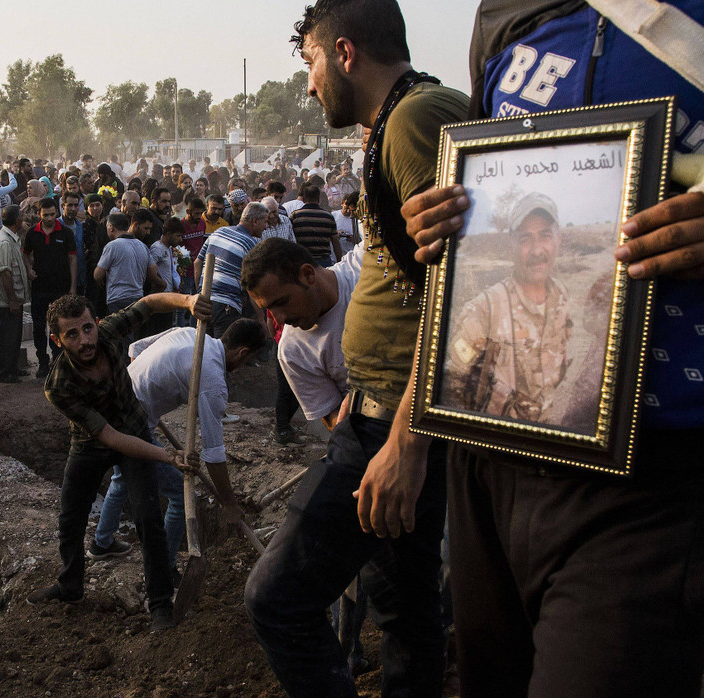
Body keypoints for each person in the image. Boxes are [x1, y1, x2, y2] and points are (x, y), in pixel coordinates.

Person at [401, 2, 704, 695]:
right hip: (491, 458)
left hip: (659, 468)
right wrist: (450, 209)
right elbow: (489, 165)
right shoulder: (505, 13)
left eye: (548, 236)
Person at [242, 2, 468, 696]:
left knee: (277, 599)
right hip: (387, 418)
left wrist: (407, 442)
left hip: (392, 424)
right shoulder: (397, 123)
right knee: (407, 613)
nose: (309, 84)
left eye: (310, 62)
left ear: (343, 53)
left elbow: (466, 292)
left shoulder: (415, 120)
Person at [26, 291, 211, 633]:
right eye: (72, 334)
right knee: (70, 518)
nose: (85, 340)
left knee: (148, 518)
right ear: (56, 340)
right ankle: (70, 586)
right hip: (91, 444)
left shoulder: (108, 332)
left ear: (96, 324)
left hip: (134, 429)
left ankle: (160, 605)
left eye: (87, 329)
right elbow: (109, 437)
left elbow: (149, 304)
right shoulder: (58, 385)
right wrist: (167, 456)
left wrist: (187, 301)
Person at [91, 319, 263, 575]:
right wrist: (228, 503)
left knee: (121, 478)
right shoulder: (212, 378)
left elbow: (136, 349)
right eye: (247, 361)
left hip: (112, 404)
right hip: (130, 425)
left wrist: (143, 390)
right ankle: (165, 568)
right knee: (183, 499)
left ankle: (101, 543)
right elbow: (213, 453)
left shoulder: (190, 332)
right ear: (243, 352)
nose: (242, 367)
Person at [441, 192, 579, 426]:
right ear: (511, 245)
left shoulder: (561, 295)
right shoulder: (485, 310)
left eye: (545, 236)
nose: (537, 250)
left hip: (544, 437)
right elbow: (451, 389)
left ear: (558, 239)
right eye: (525, 239)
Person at [194, 202, 268, 338]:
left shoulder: (219, 232)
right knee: (223, 349)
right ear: (255, 221)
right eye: (265, 222)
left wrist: (200, 291)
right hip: (226, 307)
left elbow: (197, 263)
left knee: (204, 346)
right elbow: (252, 285)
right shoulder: (250, 244)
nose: (266, 227)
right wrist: (260, 318)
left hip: (203, 302)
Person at [24, 197, 77, 379]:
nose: (49, 218)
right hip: (39, 287)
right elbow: (25, 254)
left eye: (52, 214)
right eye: (45, 215)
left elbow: (73, 259)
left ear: (57, 213)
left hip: (60, 287)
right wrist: (29, 269)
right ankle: (42, 362)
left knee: (59, 325)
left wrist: (72, 286)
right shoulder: (32, 233)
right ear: (39, 214)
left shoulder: (66, 233)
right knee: (39, 326)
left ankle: (58, 360)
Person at [0, 205, 29, 384]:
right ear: (18, 220)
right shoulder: (5, 242)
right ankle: (3, 372)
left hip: (12, 299)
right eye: (22, 216)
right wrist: (12, 300)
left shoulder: (10, 238)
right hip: (6, 301)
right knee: (7, 337)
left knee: (13, 336)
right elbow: (5, 273)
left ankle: (12, 368)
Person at [290, 181, 342, 265]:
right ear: (319, 199)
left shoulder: (295, 216)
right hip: (323, 261)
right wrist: (340, 262)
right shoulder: (328, 217)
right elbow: (335, 242)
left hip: (302, 261)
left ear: (303, 199)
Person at [333, 192, 361, 256]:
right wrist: (336, 233)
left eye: (350, 209)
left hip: (351, 253)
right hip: (336, 255)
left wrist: (355, 238)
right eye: (346, 208)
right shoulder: (333, 216)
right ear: (342, 204)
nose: (348, 211)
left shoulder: (356, 219)